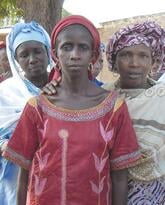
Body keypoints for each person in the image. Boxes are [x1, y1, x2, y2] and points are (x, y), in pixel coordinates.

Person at [3, 15, 141, 205]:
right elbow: (23, 172)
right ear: (54, 53)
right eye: (67, 46)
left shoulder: (114, 108)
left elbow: (119, 177)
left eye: (83, 47)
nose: (74, 54)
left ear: (93, 55)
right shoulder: (38, 107)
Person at [103, 21, 165, 204]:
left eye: (143, 56)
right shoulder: (100, 97)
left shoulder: (162, 99)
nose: (135, 64)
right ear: (114, 60)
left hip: (154, 193)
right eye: (126, 55)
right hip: (105, 188)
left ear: (153, 62)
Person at [0, 21, 52, 205]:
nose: (32, 59)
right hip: (13, 177)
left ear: (48, 52)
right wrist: (5, 145)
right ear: (16, 60)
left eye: (38, 51)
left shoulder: (65, 89)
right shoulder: (5, 92)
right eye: (24, 54)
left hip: (54, 172)